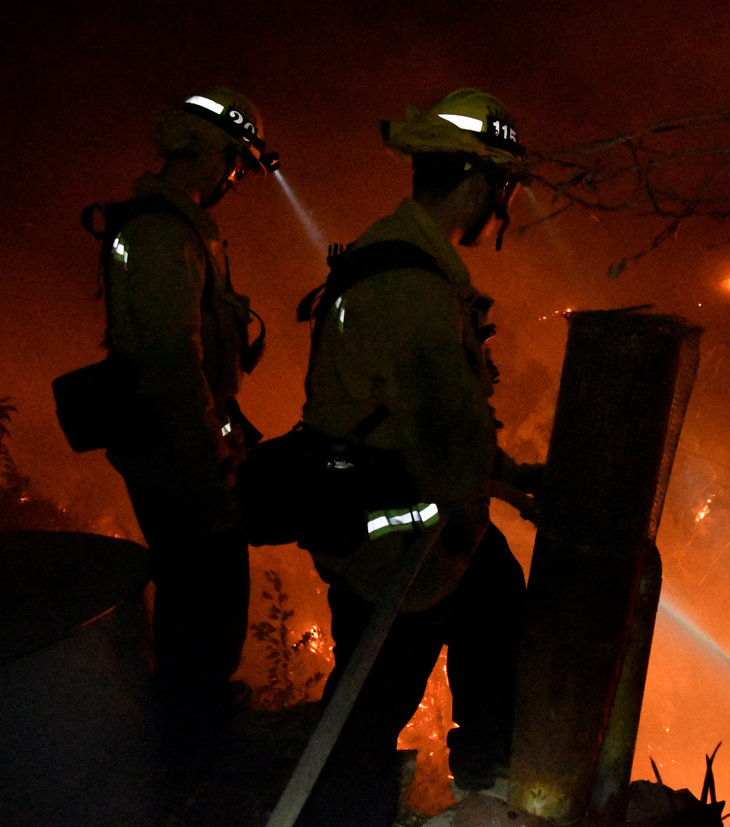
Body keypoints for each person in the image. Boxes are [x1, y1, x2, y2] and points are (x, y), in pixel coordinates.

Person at [296, 88, 539, 826]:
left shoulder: (412, 266)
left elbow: (446, 421)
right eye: (501, 188)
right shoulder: (411, 285)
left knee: (494, 589)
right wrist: (502, 483)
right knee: (369, 712)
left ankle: (486, 787)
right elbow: (442, 433)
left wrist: (511, 477)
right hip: (396, 543)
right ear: (476, 182)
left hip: (423, 527)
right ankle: (345, 813)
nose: (501, 206)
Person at [100, 87, 279, 734]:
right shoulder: (161, 235)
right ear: (209, 152)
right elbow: (174, 366)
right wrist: (212, 468)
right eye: (236, 164)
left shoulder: (171, 227)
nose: (235, 178)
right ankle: (193, 734)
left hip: (176, 442)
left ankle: (194, 716)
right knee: (205, 589)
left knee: (202, 586)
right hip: (176, 452)